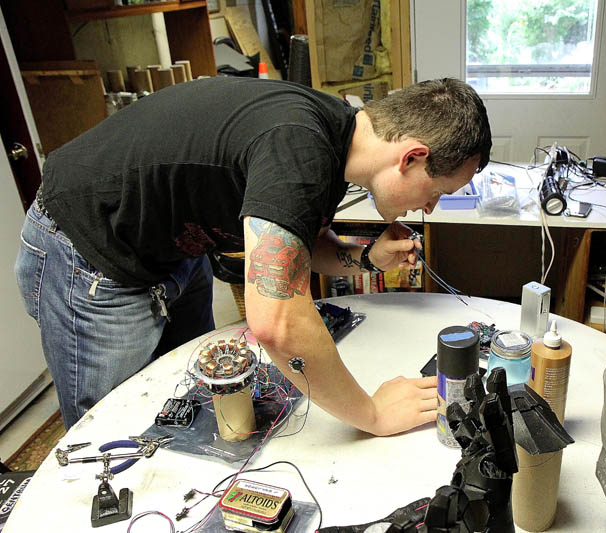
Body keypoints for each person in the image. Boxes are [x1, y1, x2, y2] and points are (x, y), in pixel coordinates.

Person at [14, 76, 492, 433]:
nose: (429, 207)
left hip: (176, 247)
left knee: (197, 401)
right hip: (89, 250)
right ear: (411, 157)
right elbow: (276, 322)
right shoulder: (299, 150)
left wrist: (365, 257)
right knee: (111, 432)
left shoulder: (334, 141)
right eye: (438, 190)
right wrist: (371, 413)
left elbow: (290, 249)